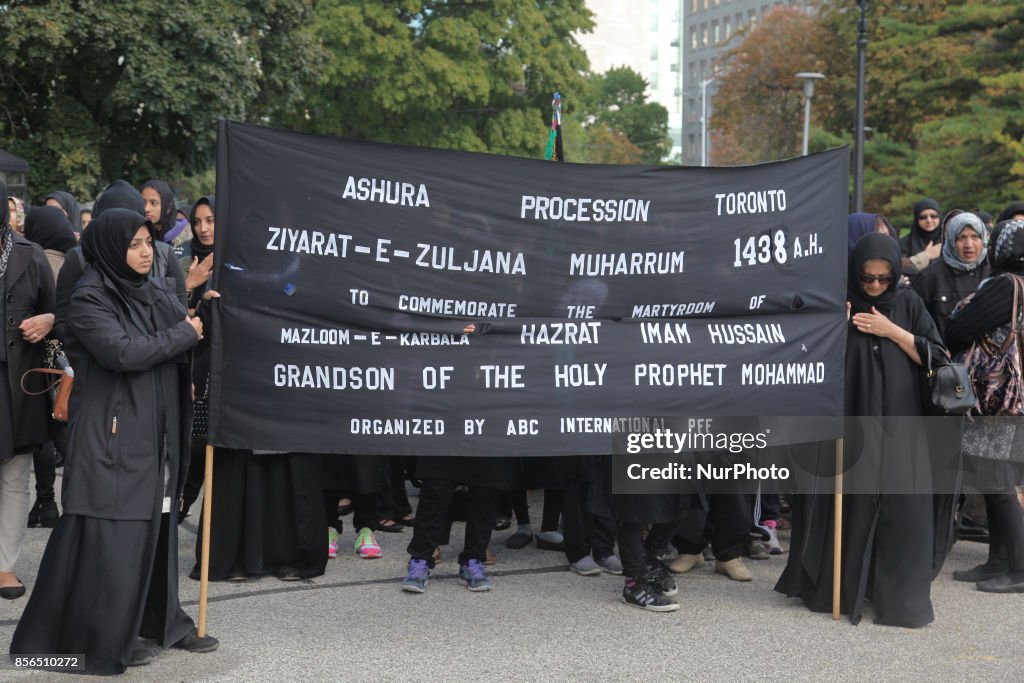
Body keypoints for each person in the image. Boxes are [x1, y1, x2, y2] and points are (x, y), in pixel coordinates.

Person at [9, 208, 217, 673]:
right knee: (111, 539)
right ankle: (100, 636)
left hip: (159, 428)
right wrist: (186, 330)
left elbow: (182, 339)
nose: (146, 253)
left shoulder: (153, 289)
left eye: (149, 242)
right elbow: (124, 352)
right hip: (114, 435)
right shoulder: (89, 298)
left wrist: (204, 315)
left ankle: (156, 622)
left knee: (155, 529)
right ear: (108, 248)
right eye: (134, 244)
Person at [776, 232, 947, 628]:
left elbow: (937, 358)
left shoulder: (907, 302)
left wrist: (892, 331)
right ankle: (842, 586)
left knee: (900, 509)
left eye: (884, 279)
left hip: (901, 425)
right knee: (849, 501)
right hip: (850, 422)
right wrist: (833, 325)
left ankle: (897, 595)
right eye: (867, 277)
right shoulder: (841, 301)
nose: (874, 285)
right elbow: (805, 359)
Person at [946, 218, 1024, 594]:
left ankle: (1020, 568)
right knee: (993, 479)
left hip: (995, 398)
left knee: (997, 481)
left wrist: (962, 311)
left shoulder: (1005, 285)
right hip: (1009, 398)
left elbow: (957, 329)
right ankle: (998, 561)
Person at [0, 179, 56, 600]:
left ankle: (4, 566)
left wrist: (49, 320)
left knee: (15, 476)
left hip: (15, 383)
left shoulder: (30, 254)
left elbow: (59, 310)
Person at [21, 205, 78, 528]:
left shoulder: (37, 260)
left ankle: (45, 501)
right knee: (65, 429)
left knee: (45, 433)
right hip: (70, 363)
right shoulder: (76, 262)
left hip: (43, 363)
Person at [911, 211, 990, 341]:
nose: (968, 245)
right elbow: (913, 320)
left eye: (975, 237)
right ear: (951, 240)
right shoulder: (930, 276)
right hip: (946, 358)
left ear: (983, 239)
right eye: (961, 238)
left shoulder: (995, 273)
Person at [141, 180, 192, 259]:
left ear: (168, 208)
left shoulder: (187, 238)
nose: (146, 209)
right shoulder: (139, 236)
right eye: (143, 202)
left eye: (153, 203)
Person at [900, 198, 944, 279]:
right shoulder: (904, 243)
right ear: (916, 219)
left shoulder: (948, 240)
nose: (929, 220)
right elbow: (898, 268)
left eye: (933, 216)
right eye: (923, 217)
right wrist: (926, 255)